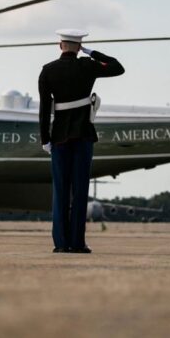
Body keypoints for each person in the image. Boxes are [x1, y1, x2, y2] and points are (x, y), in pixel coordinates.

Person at [39, 29, 125, 253]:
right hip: (83, 135)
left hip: (58, 137)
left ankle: (61, 243)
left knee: (60, 192)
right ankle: (77, 243)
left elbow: (44, 108)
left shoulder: (47, 71)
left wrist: (45, 139)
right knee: (80, 190)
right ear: (78, 47)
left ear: (60, 45)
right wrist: (93, 52)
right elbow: (118, 67)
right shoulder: (87, 65)